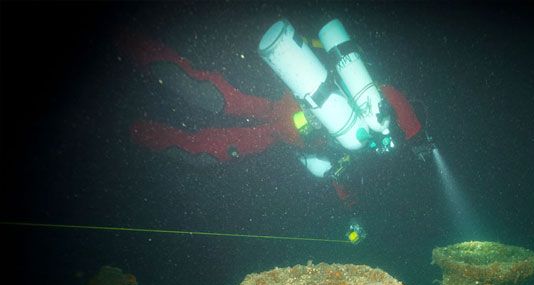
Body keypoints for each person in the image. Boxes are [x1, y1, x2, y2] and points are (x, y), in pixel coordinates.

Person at [117, 18, 432, 243]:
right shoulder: (378, 112)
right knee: (200, 96)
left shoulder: (369, 132)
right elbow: (383, 111)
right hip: (280, 104)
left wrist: (353, 212)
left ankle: (130, 129)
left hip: (278, 128)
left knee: (205, 151)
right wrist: (415, 138)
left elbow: (342, 177)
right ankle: (124, 41)